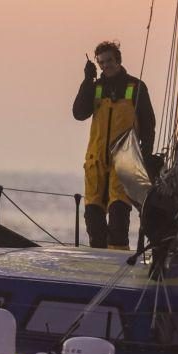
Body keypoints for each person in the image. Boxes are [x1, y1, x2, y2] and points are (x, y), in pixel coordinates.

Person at [72, 41, 155, 249]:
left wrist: (146, 154)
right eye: (101, 62)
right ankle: (97, 262)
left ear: (118, 60)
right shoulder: (96, 87)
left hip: (124, 161)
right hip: (96, 161)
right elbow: (79, 113)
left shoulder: (135, 87)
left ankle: (117, 260)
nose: (106, 66)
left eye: (109, 61)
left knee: (119, 217)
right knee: (93, 218)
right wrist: (87, 80)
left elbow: (148, 124)